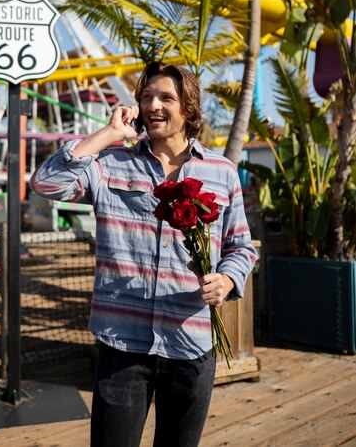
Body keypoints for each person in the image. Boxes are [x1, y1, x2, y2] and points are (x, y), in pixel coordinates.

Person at [31, 61, 258, 447]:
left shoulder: (222, 172)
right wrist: (108, 133)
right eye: (146, 96)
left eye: (166, 97)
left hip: (191, 343)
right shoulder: (109, 166)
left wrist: (227, 280)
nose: (153, 104)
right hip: (122, 345)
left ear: (189, 109)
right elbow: (44, 183)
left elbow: (241, 246)